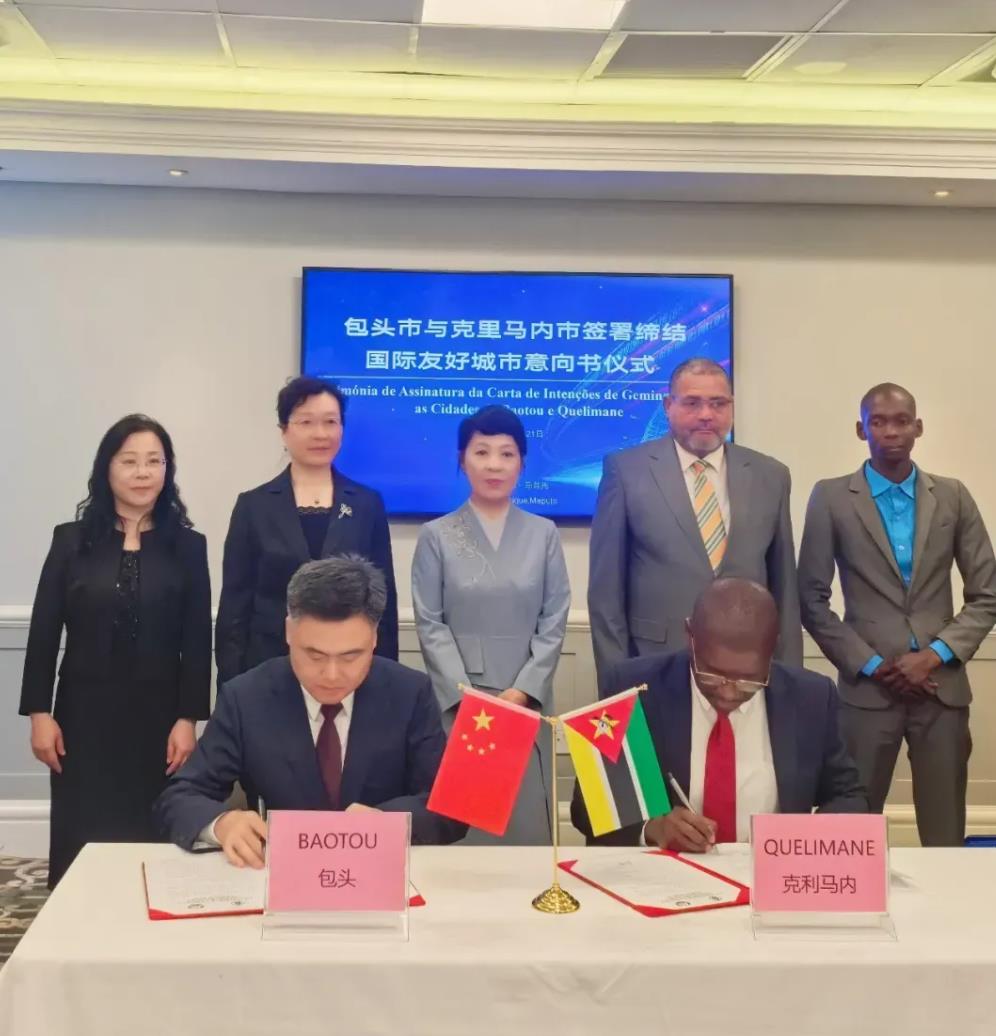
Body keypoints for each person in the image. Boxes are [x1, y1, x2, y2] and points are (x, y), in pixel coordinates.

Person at [156, 555, 466, 863]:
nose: (331, 675)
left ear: (374, 638)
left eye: (350, 656)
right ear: (289, 632)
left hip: (381, 871)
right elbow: (179, 797)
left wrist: (387, 822)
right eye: (315, 656)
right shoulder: (246, 698)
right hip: (280, 872)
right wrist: (222, 824)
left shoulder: (410, 693)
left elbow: (448, 808)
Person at [798, 383, 996, 846]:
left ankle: (944, 898)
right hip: (868, 691)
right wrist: (872, 664)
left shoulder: (953, 496)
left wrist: (934, 655)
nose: (891, 431)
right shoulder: (831, 497)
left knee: (945, 831)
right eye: (879, 422)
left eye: (902, 421)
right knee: (852, 832)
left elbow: (987, 594)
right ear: (861, 429)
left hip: (941, 689)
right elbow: (811, 598)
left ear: (918, 427)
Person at [20, 415, 211, 887]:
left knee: (152, 830)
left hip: (158, 718)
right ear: (106, 468)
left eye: (154, 461)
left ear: (167, 470)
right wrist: (39, 713)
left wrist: (188, 718)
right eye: (129, 461)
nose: (143, 472)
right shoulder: (71, 541)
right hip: (82, 716)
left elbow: (196, 639)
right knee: (82, 826)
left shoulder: (188, 547)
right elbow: (44, 630)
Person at [572, 579, 867, 849]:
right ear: (690, 636)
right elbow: (587, 807)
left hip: (769, 877)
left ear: (772, 649)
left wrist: (805, 838)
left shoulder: (811, 698)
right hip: (665, 876)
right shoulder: (635, 688)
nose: (728, 693)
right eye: (712, 675)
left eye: (749, 680)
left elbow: (848, 796)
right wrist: (654, 828)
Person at [588, 357, 802, 694]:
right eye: (692, 403)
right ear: (668, 406)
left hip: (748, 670)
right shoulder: (626, 471)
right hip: (654, 665)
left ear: (731, 407)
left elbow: (785, 587)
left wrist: (790, 682)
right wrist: (617, 686)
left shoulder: (771, 475)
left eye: (718, 403)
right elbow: (606, 595)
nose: (706, 414)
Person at [411, 405, 570, 845]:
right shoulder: (436, 535)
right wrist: (467, 696)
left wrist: (523, 690)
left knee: (525, 822)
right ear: (462, 460)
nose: (494, 465)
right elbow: (430, 622)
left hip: (527, 700)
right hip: (462, 705)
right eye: (481, 452)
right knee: (465, 823)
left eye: (507, 453)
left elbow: (555, 618)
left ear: (522, 462)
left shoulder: (544, 533)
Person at [215, 376, 398, 688]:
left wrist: (385, 681)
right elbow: (235, 607)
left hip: (347, 672)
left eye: (330, 422)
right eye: (306, 422)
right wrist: (232, 687)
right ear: (284, 430)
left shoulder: (367, 504)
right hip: (268, 669)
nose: (320, 434)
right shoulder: (253, 506)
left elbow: (385, 602)